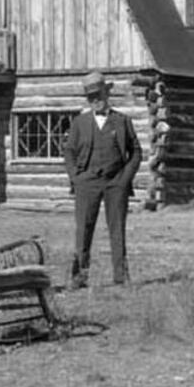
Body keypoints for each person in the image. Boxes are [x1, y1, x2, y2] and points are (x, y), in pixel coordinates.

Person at [62, 70, 144, 288]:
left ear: (107, 94)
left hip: (115, 183)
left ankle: (120, 277)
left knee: (117, 229)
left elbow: (136, 151)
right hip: (86, 182)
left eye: (98, 94)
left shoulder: (122, 121)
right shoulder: (79, 122)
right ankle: (79, 277)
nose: (96, 100)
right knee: (83, 230)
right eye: (91, 97)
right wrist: (75, 177)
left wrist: (125, 178)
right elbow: (69, 151)